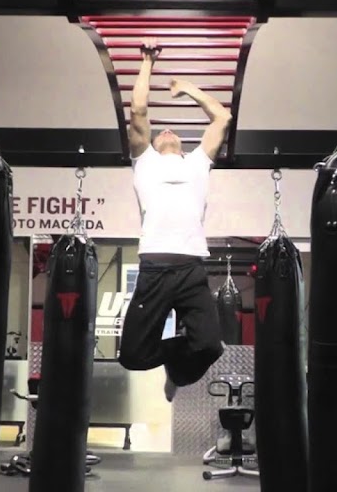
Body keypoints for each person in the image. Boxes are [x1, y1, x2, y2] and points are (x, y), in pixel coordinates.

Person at [117, 38, 231, 402]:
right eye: (160, 132)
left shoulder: (198, 162)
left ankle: (177, 373)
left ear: (183, 144)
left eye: (174, 132)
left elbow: (222, 118)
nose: (166, 131)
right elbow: (138, 110)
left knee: (210, 346)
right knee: (132, 357)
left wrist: (190, 89)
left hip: (191, 269)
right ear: (150, 143)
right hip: (154, 268)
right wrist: (147, 62)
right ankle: (172, 363)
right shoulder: (144, 162)